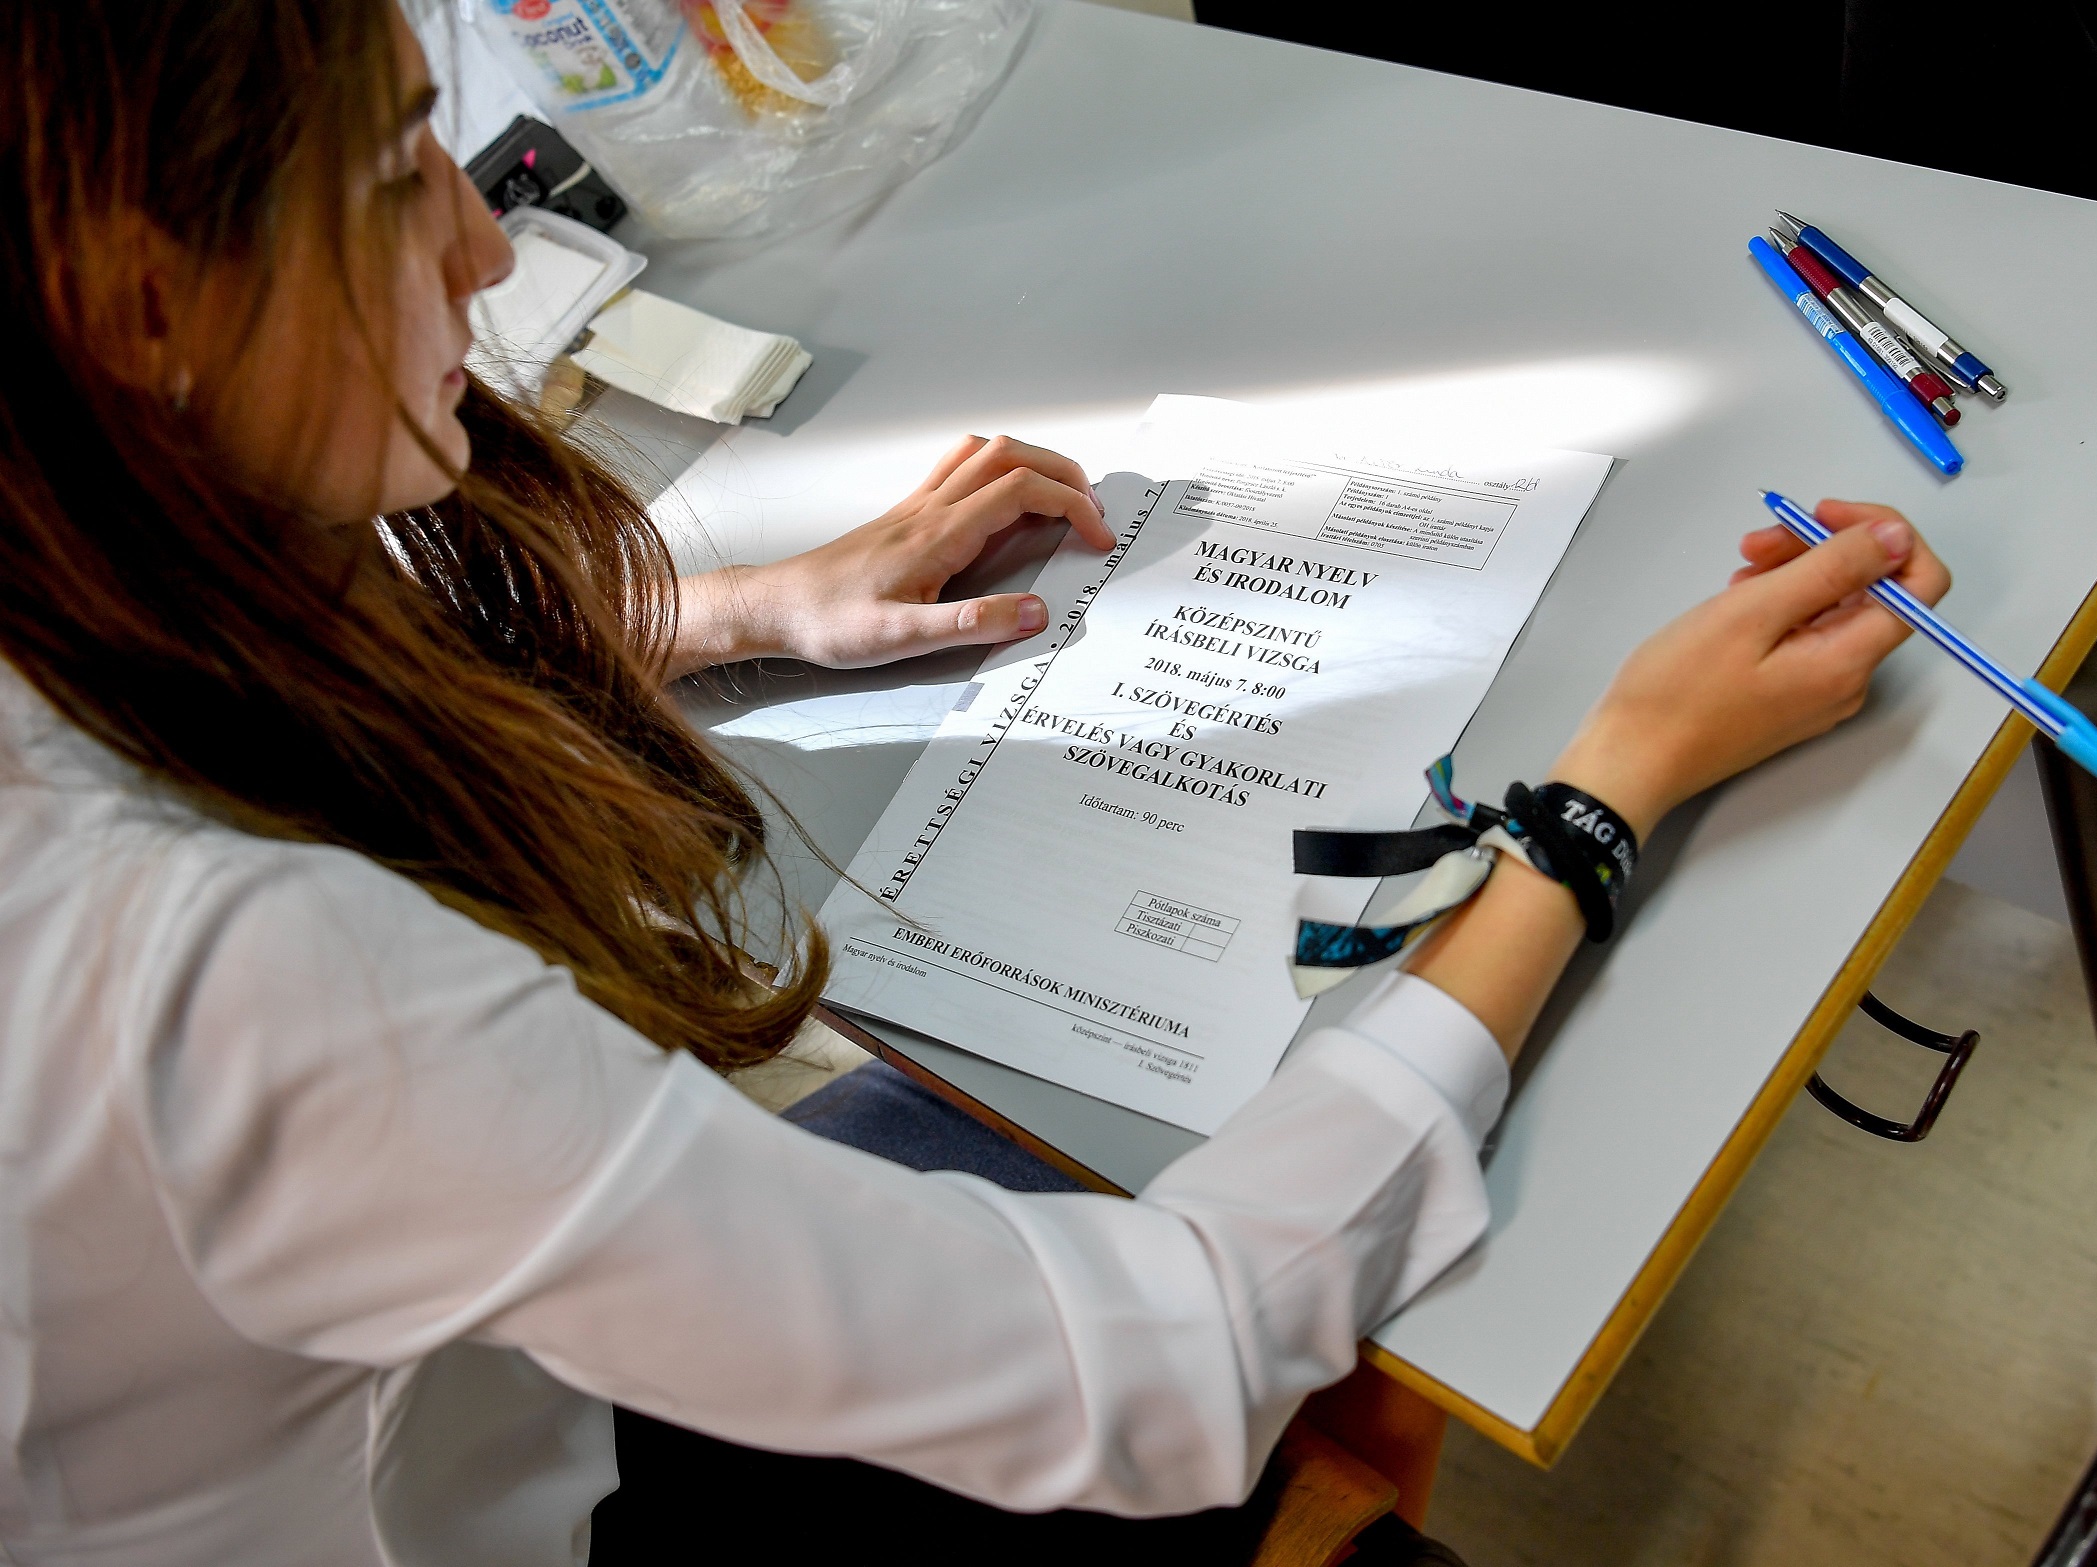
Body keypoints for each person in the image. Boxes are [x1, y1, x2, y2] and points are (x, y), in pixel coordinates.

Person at [0, 3, 1950, 1564]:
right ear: (138, 301)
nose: (487, 241)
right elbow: (1155, 1366)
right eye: (384, 179)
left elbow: (238, 672)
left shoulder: (68, 561)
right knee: (1201, 1201)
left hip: (443, 1385)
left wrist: (737, 609)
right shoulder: (244, 983)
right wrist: (1597, 802)